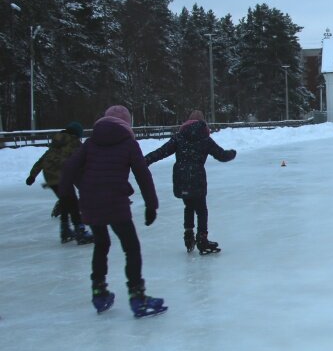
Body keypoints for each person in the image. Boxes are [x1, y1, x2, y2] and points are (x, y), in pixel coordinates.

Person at [59, 105, 165, 317]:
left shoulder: (90, 143)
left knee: (101, 244)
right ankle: (138, 298)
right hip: (115, 202)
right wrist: (151, 205)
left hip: (90, 202)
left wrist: (67, 197)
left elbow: (69, 168)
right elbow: (143, 175)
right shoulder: (128, 143)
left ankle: (99, 292)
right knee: (131, 248)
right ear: (127, 123)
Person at [144, 110, 237, 254]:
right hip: (197, 178)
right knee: (201, 209)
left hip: (181, 178)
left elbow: (161, 152)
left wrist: (145, 160)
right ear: (202, 123)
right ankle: (202, 238)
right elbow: (221, 155)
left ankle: (188, 235)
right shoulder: (204, 139)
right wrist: (232, 153)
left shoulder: (179, 137)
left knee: (188, 205)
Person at [26, 121, 93, 245]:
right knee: (72, 202)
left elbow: (43, 158)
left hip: (50, 176)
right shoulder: (74, 142)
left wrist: (32, 175)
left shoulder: (57, 142)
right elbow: (83, 159)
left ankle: (65, 230)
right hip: (62, 176)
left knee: (65, 201)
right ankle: (80, 231)